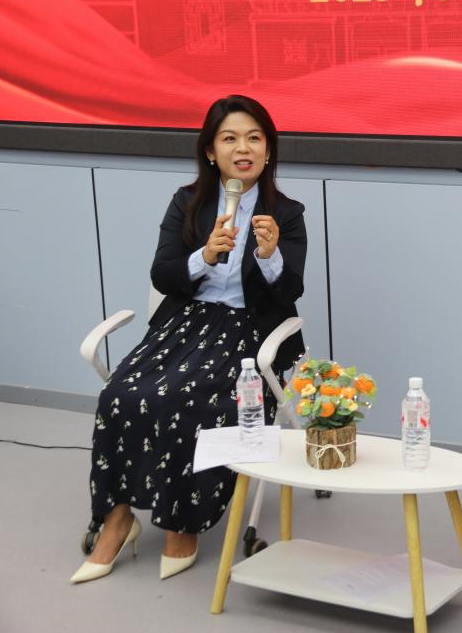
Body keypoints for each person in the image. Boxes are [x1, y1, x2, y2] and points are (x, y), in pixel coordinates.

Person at [71, 95, 306, 583]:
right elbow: (163, 273)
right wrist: (204, 255)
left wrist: (269, 255)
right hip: (187, 322)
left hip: (248, 329)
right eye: (230, 138)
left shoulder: (285, 213)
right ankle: (117, 519)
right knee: (121, 393)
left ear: (268, 151)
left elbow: (290, 291)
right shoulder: (186, 203)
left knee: (192, 395)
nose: (243, 149)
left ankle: (183, 523)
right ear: (210, 152)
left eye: (254, 138)